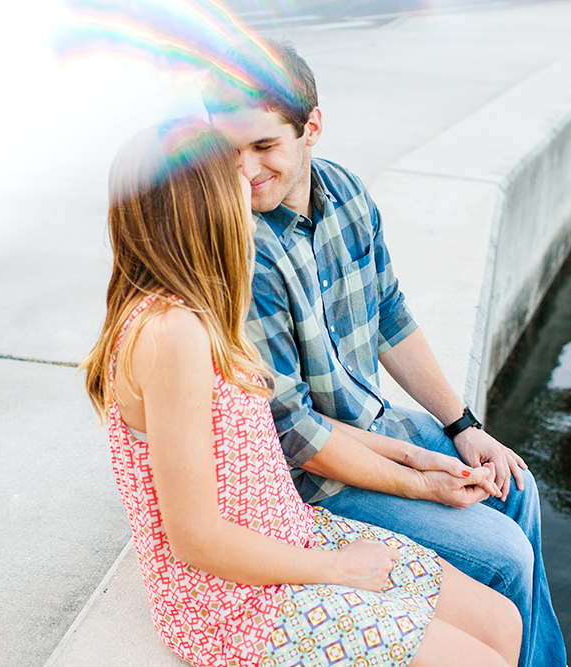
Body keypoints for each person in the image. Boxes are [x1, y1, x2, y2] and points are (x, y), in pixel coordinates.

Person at [81, 119, 522, 667]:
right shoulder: (171, 334)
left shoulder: (204, 310)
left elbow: (264, 430)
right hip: (235, 605)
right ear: (203, 209)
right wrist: (340, 571)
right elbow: (193, 537)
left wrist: (416, 458)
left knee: (500, 622)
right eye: (233, 178)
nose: (250, 183)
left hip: (290, 535)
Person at [203, 40, 567, 667]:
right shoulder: (243, 248)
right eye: (228, 150)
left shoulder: (342, 190)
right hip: (314, 481)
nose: (245, 171)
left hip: (377, 430)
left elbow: (391, 316)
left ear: (311, 127)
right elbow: (292, 433)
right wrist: (423, 482)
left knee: (516, 487)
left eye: (264, 147)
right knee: (504, 557)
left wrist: (461, 425)